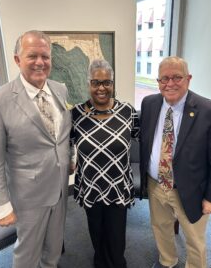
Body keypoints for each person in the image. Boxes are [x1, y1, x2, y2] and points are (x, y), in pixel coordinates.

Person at [0, 30, 72, 268]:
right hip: (28, 197)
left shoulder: (60, 90)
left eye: (45, 56)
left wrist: (70, 157)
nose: (40, 62)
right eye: (32, 56)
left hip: (61, 190)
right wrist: (1, 207)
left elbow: (64, 134)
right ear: (17, 59)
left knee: (53, 250)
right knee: (27, 255)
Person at [140, 56, 211, 268]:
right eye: (164, 79)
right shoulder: (150, 103)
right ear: (158, 81)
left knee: (194, 240)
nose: (170, 84)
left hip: (191, 190)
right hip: (156, 184)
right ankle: (167, 261)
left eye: (177, 77)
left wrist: (209, 197)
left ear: (188, 79)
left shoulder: (207, 111)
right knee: (160, 228)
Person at [70, 59, 140, 268]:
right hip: (90, 184)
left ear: (112, 84)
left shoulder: (128, 111)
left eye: (107, 82)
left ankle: (118, 263)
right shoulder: (76, 114)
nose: (101, 88)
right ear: (89, 84)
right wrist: (69, 162)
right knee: (96, 232)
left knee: (117, 234)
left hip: (118, 184)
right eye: (96, 82)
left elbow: (137, 137)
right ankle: (100, 261)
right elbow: (65, 142)